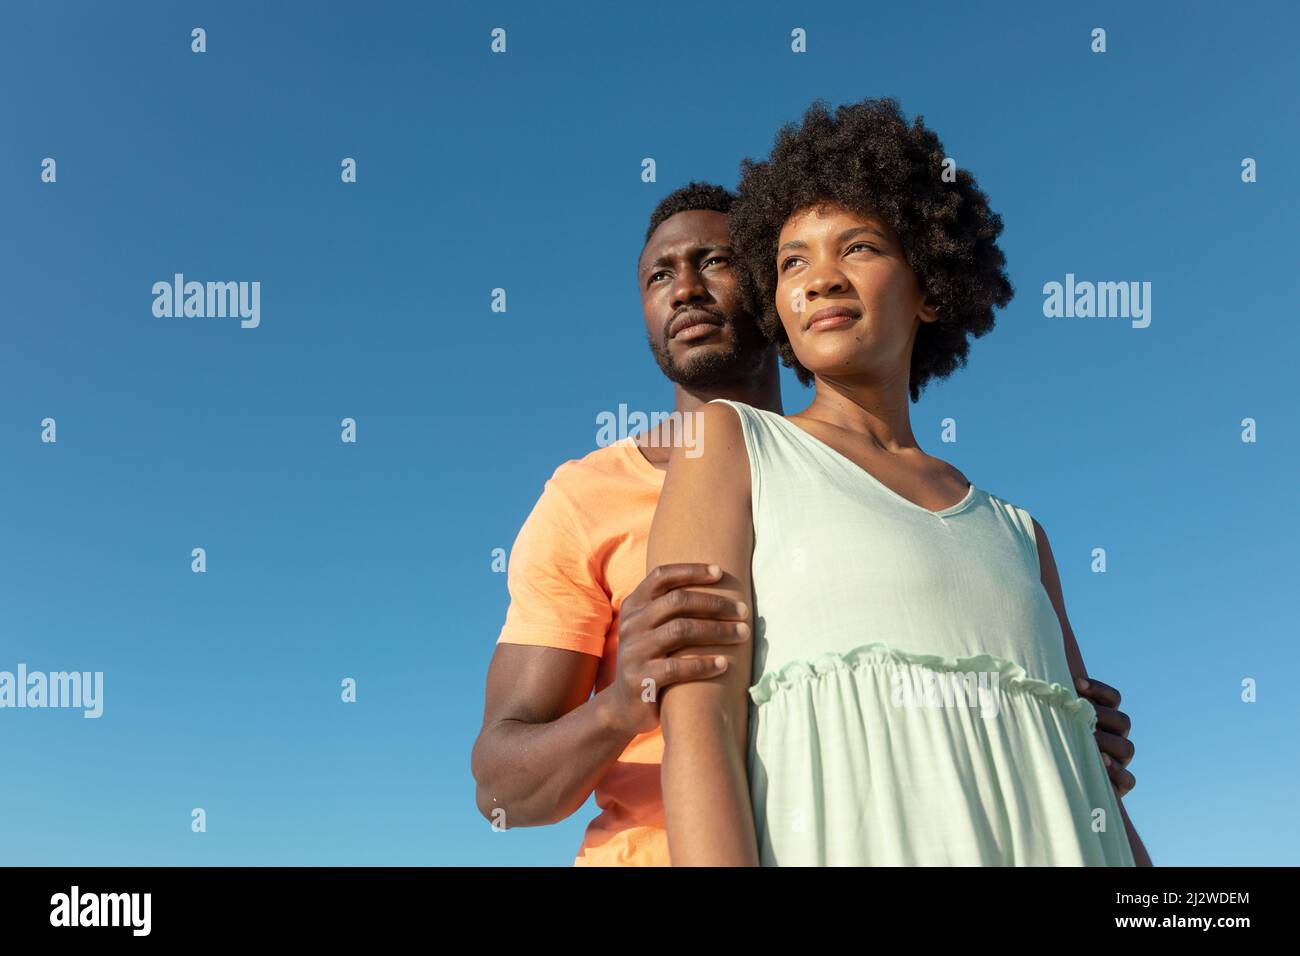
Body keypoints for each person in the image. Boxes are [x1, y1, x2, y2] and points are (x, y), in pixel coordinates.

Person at [472, 180, 1143, 866]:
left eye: (714, 261)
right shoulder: (585, 496)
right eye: (659, 276)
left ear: (769, 292)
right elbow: (499, 789)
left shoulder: (950, 509)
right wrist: (622, 702)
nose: (685, 291)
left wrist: (1045, 725)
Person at [647, 98, 1152, 865]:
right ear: (778, 308)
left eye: (858, 248)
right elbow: (700, 728)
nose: (820, 279)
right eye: (792, 261)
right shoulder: (729, 445)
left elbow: (1095, 790)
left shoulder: (1021, 535)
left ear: (932, 287)